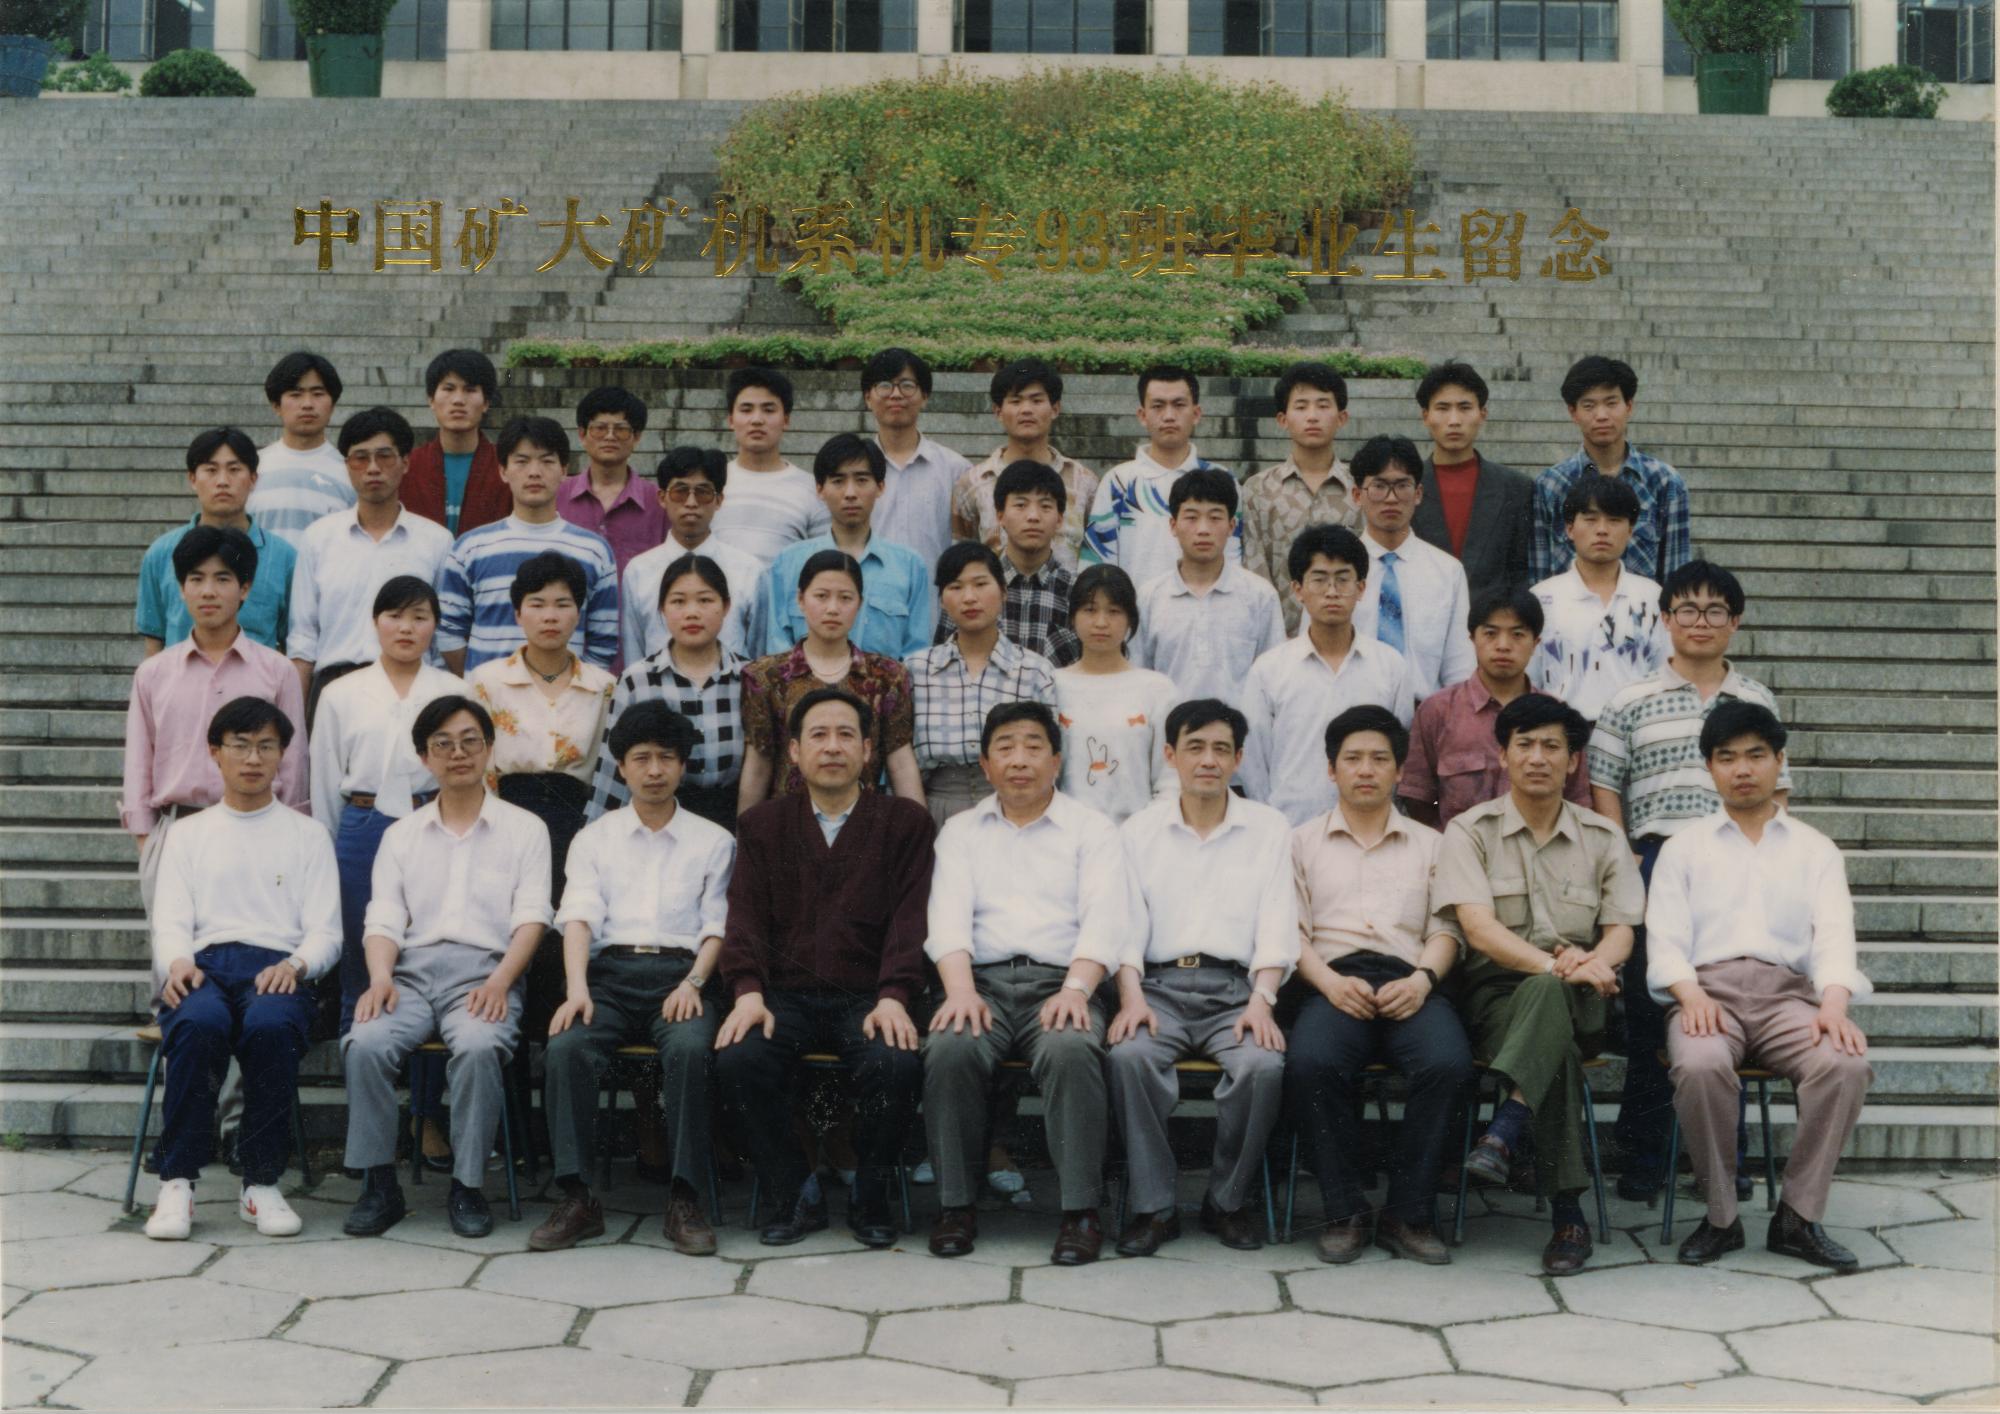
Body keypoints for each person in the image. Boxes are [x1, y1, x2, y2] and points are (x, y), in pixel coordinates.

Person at [1589, 559, 1790, 1201]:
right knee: (1653, 1015)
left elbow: (1778, 791)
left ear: (1735, 622)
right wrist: (1624, 859)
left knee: (1729, 1007)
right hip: (1654, 863)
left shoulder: (1755, 701)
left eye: (1714, 611)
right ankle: (1647, 1159)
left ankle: (1726, 1160)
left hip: (1734, 868)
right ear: (1665, 619)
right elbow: (1604, 785)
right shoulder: (1629, 700)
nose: (1700, 622)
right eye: (1687, 610)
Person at [1648, 702, 1872, 1272]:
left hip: (1788, 998)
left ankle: (1797, 1216)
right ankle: (1721, 1217)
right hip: (1707, 994)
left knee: (1844, 1064)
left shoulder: (1814, 848)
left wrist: (1834, 1005)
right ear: (1710, 767)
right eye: (1727, 758)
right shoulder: (1682, 848)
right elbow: (1665, 940)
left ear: (1779, 761)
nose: (1742, 769)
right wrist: (1691, 996)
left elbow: (1834, 935)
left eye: (1755, 755)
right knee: (1699, 1064)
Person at [1433, 693, 1646, 1276]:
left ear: (1573, 761)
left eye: (1552, 746)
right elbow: (1477, 928)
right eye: (1524, 744)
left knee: (1555, 999)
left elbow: (1621, 931)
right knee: (1555, 1037)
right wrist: (1554, 967)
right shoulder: (1470, 831)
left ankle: (1505, 1130)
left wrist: (1592, 964)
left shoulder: (1602, 836)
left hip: (1586, 997)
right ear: (1502, 755)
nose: (1537, 757)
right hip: (1497, 999)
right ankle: (1567, 1215)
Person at [714, 689, 935, 1248]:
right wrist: (747, 991)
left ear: (868, 750)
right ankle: (794, 1193)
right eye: (818, 735)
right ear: (793, 751)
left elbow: (911, 920)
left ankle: (871, 1196)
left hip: (868, 996)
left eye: (845, 735)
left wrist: (894, 995)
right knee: (739, 1057)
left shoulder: (904, 822)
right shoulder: (763, 825)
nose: (832, 747)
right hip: (784, 996)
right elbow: (744, 918)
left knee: (895, 1062)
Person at [923, 702, 1136, 1266]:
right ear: (985, 764)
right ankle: (955, 1205)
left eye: (1034, 746)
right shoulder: (961, 832)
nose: (1020, 760)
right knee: (950, 1046)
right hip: (981, 984)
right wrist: (960, 991)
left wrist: (1077, 989)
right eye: (1006, 748)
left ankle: (1080, 1211)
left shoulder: (1091, 829)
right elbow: (947, 919)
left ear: (1057, 760)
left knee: (1071, 1048)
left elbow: (1105, 918)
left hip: (1061, 982)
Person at [340, 695, 552, 1239]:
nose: (458, 754)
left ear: (489, 748)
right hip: (408, 974)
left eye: (469, 741)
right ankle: (379, 1184)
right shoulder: (401, 834)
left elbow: (533, 917)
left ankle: (467, 1185)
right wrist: (380, 977)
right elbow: (384, 916)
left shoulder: (525, 829)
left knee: (479, 1047)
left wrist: (502, 981)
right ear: (424, 757)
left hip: (486, 975)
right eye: (443, 744)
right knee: (365, 1041)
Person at [534, 702, 737, 1256]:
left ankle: (685, 1196)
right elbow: (578, 917)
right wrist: (577, 989)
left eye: (666, 758)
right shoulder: (594, 838)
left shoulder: (713, 841)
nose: (654, 770)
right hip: (608, 978)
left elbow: (717, 926)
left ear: (683, 765)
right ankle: (577, 1197)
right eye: (641, 758)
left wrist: (694, 983)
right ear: (621, 767)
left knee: (691, 1049)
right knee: (566, 1046)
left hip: (682, 977)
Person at [143, 697, 341, 1242]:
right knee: (197, 1022)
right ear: (215, 752)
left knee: (272, 1025)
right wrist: (177, 962)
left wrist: (297, 963)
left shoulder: (307, 835)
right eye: (240, 745)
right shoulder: (189, 833)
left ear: (282, 755)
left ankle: (260, 1182)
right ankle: (177, 1181)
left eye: (266, 746)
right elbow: (170, 919)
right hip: (204, 965)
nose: (253, 759)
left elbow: (327, 931)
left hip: (276, 968)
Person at [1106, 699, 1295, 1256]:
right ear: (1170, 755)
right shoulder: (1139, 831)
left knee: (1262, 1066)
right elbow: (1124, 925)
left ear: (1238, 758)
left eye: (1220, 749)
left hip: (1237, 992)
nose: (1208, 760)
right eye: (1195, 747)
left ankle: (1226, 1201)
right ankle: (1155, 1207)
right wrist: (1131, 999)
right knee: (1129, 1057)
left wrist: (1262, 1001)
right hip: (1158, 989)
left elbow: (1278, 922)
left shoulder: (1268, 828)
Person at [1285, 705, 1473, 1266]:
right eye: (1352, 759)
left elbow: (1447, 929)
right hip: (1331, 981)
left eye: (1379, 759)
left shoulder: (1432, 844)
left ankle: (1408, 1214)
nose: (1365, 770)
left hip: (1410, 980)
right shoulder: (1300, 842)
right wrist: (1328, 983)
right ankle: (1344, 1211)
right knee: (1311, 1062)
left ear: (1399, 770)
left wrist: (1423, 980)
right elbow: (1289, 930)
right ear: (1331, 769)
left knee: (1448, 1063)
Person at [469, 552, 618, 1041]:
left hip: (576, 825)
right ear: (517, 613)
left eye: (562, 604)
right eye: (537, 604)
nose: (550, 616)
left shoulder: (603, 687)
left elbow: (606, 770)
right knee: (506, 932)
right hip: (504, 821)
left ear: (579, 612)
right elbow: (479, 765)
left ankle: (553, 1054)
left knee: (561, 934)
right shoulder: (487, 681)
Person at [123, 526, 308, 916]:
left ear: (245, 589)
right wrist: (147, 841)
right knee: (174, 950)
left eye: (223, 579)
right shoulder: (154, 674)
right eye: (196, 579)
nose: (208, 591)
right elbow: (139, 761)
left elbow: (293, 766)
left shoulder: (277, 671)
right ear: (181, 588)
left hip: (259, 831)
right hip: (177, 832)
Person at [308, 576, 462, 1035]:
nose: (406, 628)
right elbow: (324, 778)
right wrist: (331, 847)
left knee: (428, 941)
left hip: (435, 818)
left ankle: (426, 1075)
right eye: (395, 616)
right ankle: (358, 1052)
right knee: (361, 945)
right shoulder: (342, 692)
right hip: (363, 822)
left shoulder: (456, 691)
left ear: (435, 625)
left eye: (420, 617)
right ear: (375, 622)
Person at [1240, 525, 1413, 826]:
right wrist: (1272, 826)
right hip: (1290, 828)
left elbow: (1399, 753)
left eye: (1343, 579)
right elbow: (1254, 762)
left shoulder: (1390, 667)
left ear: (1361, 588)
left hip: (1369, 829)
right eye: (1319, 580)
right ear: (1298, 589)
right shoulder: (1269, 670)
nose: (1332, 592)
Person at [287, 407, 452, 721]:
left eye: (384, 456)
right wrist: (295, 719)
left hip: (414, 689)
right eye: (360, 458)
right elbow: (303, 638)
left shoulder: (436, 541)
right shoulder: (318, 538)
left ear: (406, 462)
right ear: (346, 466)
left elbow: (443, 637)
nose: (373, 468)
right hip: (334, 688)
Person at [736, 550, 922, 810]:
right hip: (787, 823)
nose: (833, 609)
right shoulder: (766, 676)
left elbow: (900, 762)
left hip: (864, 821)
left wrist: (918, 827)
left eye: (845, 598)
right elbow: (758, 765)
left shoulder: (887, 676)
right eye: (821, 596)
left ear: (860, 603)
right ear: (801, 599)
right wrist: (745, 830)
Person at [1398, 586, 1594, 831]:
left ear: (1535, 643)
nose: (1503, 645)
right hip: (1457, 849)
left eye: (1517, 634)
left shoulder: (1558, 716)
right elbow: (1417, 797)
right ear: (1472, 639)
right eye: (1490, 633)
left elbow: (1577, 800)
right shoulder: (1437, 711)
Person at [434, 416, 619, 675]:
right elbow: (448, 631)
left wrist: (572, 689)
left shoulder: (594, 551)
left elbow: (604, 641)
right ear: (503, 471)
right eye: (522, 461)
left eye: (547, 461)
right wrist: (480, 683)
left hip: (566, 697)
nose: (534, 472)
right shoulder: (470, 547)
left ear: (564, 470)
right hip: (488, 697)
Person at [589, 554, 747, 831]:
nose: (692, 612)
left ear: (726, 606)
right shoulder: (637, 680)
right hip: (657, 820)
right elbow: (613, 771)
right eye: (678, 601)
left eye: (705, 600)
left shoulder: (750, 678)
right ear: (662, 608)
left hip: (733, 818)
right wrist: (597, 834)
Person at [906, 543, 1057, 825]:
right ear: (941, 600)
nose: (969, 597)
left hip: (1016, 808)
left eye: (980, 584)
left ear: (1003, 592)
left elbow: (1053, 757)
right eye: (955, 587)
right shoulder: (916, 670)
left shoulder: (1035, 671)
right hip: (936, 809)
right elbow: (903, 761)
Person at [757, 433, 932, 660]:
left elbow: (916, 655)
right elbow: (778, 649)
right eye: (838, 481)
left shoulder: (909, 565)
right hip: (805, 683)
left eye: (861, 480)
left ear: (880, 487)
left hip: (884, 683)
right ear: (820, 489)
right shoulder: (789, 562)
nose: (850, 493)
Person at [1130, 469, 1287, 710]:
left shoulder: (1260, 596)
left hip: (1240, 731)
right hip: (1169, 730)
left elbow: (1275, 679)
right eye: (1191, 517)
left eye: (1215, 518)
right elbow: (1138, 678)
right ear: (1173, 525)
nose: (1203, 529)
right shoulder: (1149, 597)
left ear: (1232, 526)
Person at [135, 428, 297, 657]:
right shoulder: (161, 553)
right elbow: (154, 639)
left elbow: (293, 641)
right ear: (192, 479)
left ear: (253, 479)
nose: (222, 481)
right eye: (211, 470)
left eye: (234, 470)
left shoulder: (284, 557)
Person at [1532, 355, 1691, 586]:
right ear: (1573, 413)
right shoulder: (1551, 485)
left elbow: (1676, 579)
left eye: (1611, 403)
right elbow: (1539, 576)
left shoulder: (1664, 482)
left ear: (1629, 406)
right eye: (1589, 406)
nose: (1601, 415)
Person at [1530, 474, 1670, 723]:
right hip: (1562, 732)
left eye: (1614, 520)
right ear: (1570, 529)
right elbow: (1530, 679)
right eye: (1590, 519)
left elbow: (1665, 673)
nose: (1602, 530)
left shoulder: (1653, 597)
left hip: (1636, 730)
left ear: (1630, 530)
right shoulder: (1542, 598)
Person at [1347, 434, 1475, 702]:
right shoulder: (1338, 570)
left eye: (1402, 486)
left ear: (1418, 494)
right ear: (1357, 495)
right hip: (1350, 711)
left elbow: (1460, 666)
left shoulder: (1447, 571)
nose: (1391, 498)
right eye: (1379, 486)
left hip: (1425, 713)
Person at [1083, 365, 1236, 590]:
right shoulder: (1119, 482)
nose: (1169, 416)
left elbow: (1234, 558)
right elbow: (1097, 564)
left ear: (1196, 414)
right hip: (1136, 610)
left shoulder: (1222, 480)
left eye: (1179, 405)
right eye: (1158, 406)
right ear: (1142, 415)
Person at [1240, 361, 1362, 636]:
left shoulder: (1360, 488)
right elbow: (1255, 573)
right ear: (1283, 419)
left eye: (1323, 405)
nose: (1312, 416)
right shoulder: (1258, 489)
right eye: (1301, 406)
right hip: (1279, 640)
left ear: (1342, 417)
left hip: (1347, 637)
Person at [1050, 564, 1177, 825]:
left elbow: (1170, 780)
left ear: (1130, 619)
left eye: (1114, 611)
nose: (1101, 622)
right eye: (1090, 610)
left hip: (1139, 834)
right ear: (1072, 617)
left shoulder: (1157, 689)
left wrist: (1144, 830)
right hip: (1067, 833)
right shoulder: (1051, 686)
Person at [949, 358, 1099, 570]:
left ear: (1055, 408)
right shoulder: (972, 484)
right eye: (1016, 401)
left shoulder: (1085, 482)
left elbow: (1096, 556)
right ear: (998, 411)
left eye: (1036, 400)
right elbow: (962, 559)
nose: (1026, 409)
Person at [620, 447, 764, 665]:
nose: (691, 503)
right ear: (662, 498)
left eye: (703, 492)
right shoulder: (639, 570)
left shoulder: (748, 570)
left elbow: (759, 655)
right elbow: (634, 651)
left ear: (718, 500)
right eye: (680, 491)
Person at [936, 459, 1082, 666]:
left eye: (1045, 506)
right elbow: (943, 659)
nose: (1033, 516)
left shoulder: (1077, 593)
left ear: (1059, 519)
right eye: (1020, 505)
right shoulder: (969, 589)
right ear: (1000, 516)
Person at [1408, 361, 1534, 598]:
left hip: (1493, 616)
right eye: (1442, 408)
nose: (1454, 420)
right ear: (1426, 416)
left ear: (1482, 414)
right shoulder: (1406, 487)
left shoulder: (1516, 487)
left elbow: (1521, 572)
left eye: (1465, 407)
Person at [707, 367, 828, 569]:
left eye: (769, 410)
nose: (757, 420)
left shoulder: (813, 490)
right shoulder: (709, 484)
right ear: (731, 420)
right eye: (746, 410)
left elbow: (821, 567)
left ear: (786, 420)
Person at [865, 347, 970, 572]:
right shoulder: (854, 470)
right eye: (884, 385)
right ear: (868, 398)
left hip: (932, 593)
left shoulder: (955, 469)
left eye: (907, 385)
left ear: (924, 397)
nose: (896, 394)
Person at [557, 386, 666, 582]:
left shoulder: (660, 503)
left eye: (621, 429)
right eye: (600, 428)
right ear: (582, 435)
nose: (609, 436)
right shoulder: (557, 497)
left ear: (636, 437)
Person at [246, 350, 353, 549]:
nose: (307, 404)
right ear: (276, 405)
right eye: (295, 394)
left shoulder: (350, 471)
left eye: (318, 394)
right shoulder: (252, 468)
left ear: (332, 405)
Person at [401, 349, 508, 538]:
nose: (458, 400)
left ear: (486, 402)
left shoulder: (507, 466)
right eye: (448, 389)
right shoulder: (407, 467)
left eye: (470, 390)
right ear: (431, 400)